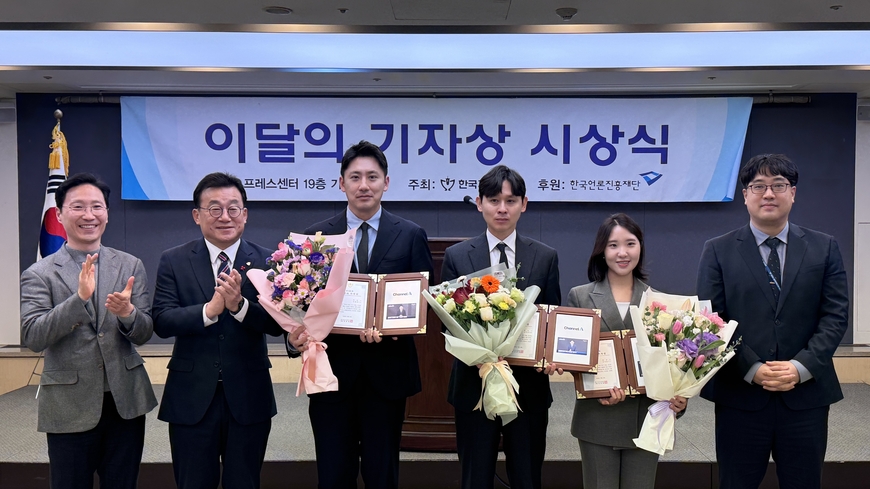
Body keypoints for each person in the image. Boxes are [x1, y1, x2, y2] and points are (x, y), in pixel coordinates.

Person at [697, 154, 849, 489]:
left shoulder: (824, 248)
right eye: (759, 186)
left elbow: (836, 315)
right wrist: (751, 367)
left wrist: (800, 367)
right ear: (745, 195)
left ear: (792, 193)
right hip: (740, 395)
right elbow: (712, 320)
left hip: (805, 396)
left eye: (778, 185)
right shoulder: (718, 250)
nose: (768, 194)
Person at [288, 140, 434, 489]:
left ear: (386, 182)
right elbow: (297, 303)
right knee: (333, 473)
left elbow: (424, 302)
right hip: (331, 373)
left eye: (372, 176)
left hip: (387, 373)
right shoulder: (315, 239)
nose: (364, 185)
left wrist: (395, 329)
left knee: (381, 474)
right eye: (355, 177)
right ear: (342, 183)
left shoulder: (411, 235)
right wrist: (294, 338)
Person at [20, 173, 156, 489]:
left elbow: (144, 333)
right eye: (78, 207)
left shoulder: (130, 265)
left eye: (97, 206)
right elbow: (33, 337)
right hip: (68, 404)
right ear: (59, 214)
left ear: (107, 213)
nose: (89, 215)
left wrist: (128, 314)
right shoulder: (39, 273)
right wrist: (78, 299)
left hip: (125, 402)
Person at [152, 172, 285, 489]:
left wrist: (239, 306)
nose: (225, 216)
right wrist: (208, 311)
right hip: (190, 396)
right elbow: (162, 320)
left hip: (249, 394)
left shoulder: (268, 260)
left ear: (245, 214)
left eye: (233, 208)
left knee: (245, 482)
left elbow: (278, 324)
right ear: (197, 215)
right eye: (214, 208)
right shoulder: (174, 260)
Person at [441, 164, 560, 489]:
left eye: (510, 200)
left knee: (527, 477)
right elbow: (448, 324)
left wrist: (550, 355)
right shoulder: (457, 256)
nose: (502, 208)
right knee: (475, 479)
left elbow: (550, 318)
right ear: (479, 203)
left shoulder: (545, 257)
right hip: (474, 386)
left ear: (524, 204)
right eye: (494, 200)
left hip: (528, 390)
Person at [567, 213, 686, 489]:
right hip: (597, 420)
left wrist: (679, 398)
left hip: (646, 421)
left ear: (640, 247)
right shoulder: (580, 296)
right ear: (602, 251)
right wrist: (595, 389)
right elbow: (574, 359)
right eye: (613, 245)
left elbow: (672, 365)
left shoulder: (659, 302)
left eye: (630, 243)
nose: (622, 253)